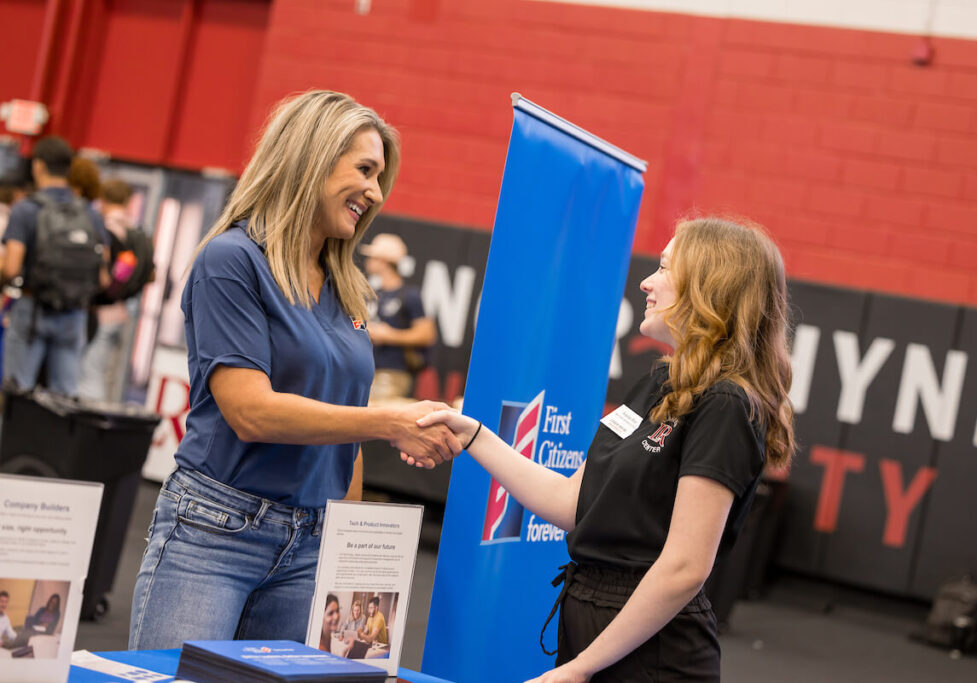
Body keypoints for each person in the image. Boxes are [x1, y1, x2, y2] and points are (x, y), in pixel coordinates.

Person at [128, 90, 460, 651]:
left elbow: (346, 440)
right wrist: (387, 421)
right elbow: (250, 412)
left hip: (312, 543)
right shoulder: (231, 261)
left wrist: (348, 547)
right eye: (364, 170)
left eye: (381, 178)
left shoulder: (347, 288)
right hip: (214, 531)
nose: (375, 193)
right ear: (311, 157)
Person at [415, 217, 795, 682]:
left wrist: (582, 668)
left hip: (653, 653)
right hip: (595, 628)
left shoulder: (726, 404)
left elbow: (684, 567)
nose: (646, 282)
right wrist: (473, 435)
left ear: (707, 286)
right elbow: (572, 503)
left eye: (663, 268)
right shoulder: (659, 383)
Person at [0, 136, 109, 396]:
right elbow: (104, 277)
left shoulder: (26, 210)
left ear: (38, 166)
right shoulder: (89, 213)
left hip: (32, 309)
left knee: (18, 395)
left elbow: (12, 267)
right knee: (63, 400)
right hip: (74, 314)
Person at [79, 179, 147, 400]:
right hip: (122, 312)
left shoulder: (107, 227)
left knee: (90, 375)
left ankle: (88, 428)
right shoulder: (137, 230)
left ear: (104, 199)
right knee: (106, 375)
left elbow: (102, 274)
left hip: (101, 313)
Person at [361, 233, 436, 401]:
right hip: (366, 367)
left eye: (373, 257)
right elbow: (359, 323)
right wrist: (365, 330)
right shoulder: (372, 293)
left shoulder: (409, 295)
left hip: (393, 372)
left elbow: (426, 334)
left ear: (384, 261)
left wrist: (389, 335)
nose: (368, 261)